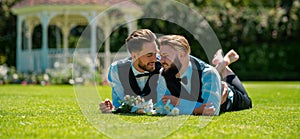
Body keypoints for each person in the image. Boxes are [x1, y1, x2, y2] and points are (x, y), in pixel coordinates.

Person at [99, 29, 166, 113]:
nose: (154, 59)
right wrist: (113, 108)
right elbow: (120, 103)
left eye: (156, 53)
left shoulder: (164, 66)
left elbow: (165, 103)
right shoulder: (117, 70)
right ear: (134, 55)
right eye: (149, 55)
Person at [157, 35, 222, 115]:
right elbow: (160, 107)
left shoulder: (208, 73)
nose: (161, 60)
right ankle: (221, 65)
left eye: (165, 55)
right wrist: (196, 110)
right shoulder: (164, 72)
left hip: (231, 98)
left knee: (229, 90)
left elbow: (212, 110)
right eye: (160, 55)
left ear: (182, 54)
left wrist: (179, 102)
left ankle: (222, 64)